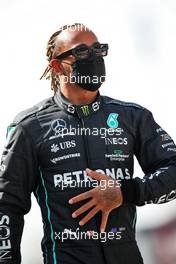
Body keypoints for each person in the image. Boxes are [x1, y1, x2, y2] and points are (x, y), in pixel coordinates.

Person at [0, 23, 176, 264]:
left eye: (99, 50)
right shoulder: (29, 127)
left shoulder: (133, 117)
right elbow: (6, 205)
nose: (93, 57)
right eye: (82, 52)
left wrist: (126, 192)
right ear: (57, 65)